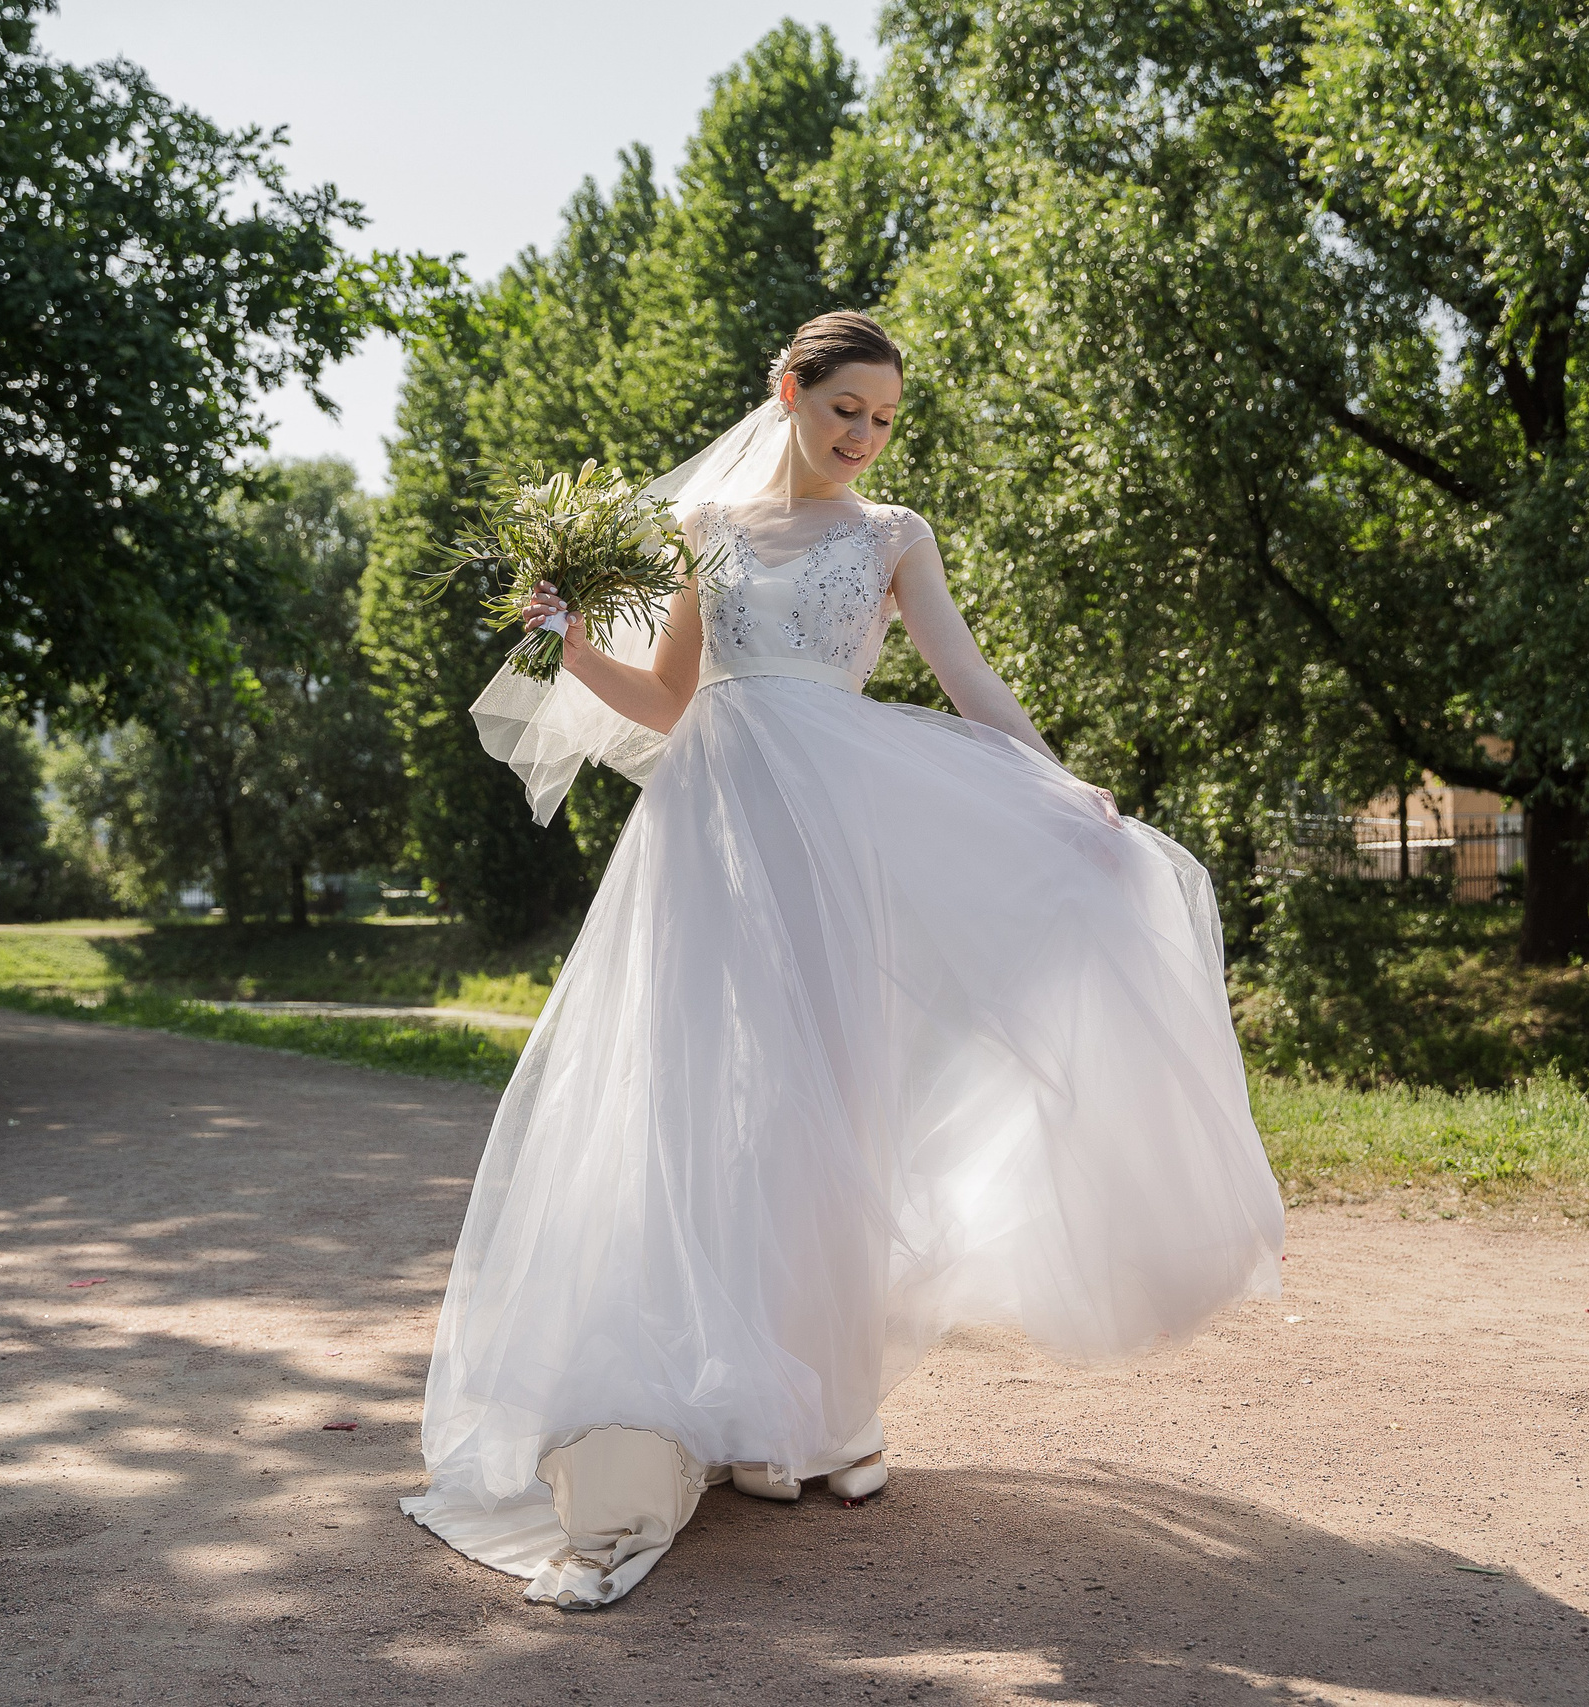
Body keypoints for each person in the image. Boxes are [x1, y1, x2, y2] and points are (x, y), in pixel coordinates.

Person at [400, 310, 1284, 1609]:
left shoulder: (894, 536)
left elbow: (966, 677)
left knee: (830, 1104)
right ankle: (748, 1409)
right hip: (709, 834)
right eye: (844, 409)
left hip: (830, 832)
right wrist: (571, 643)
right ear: (789, 391)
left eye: (882, 418)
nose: (864, 435)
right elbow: (666, 702)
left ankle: (833, 1413)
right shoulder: (702, 530)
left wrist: (1057, 788)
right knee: (714, 1108)